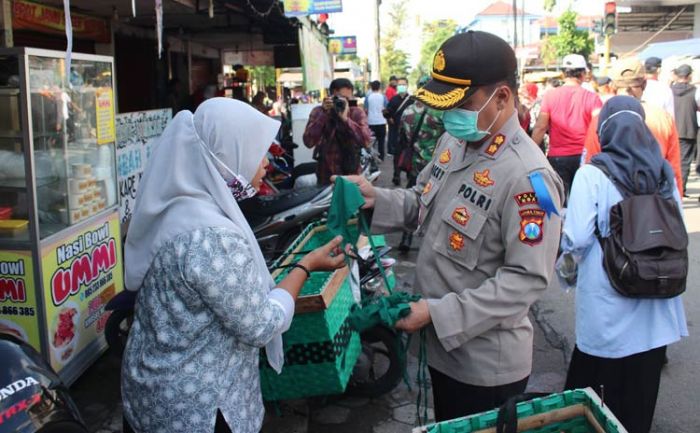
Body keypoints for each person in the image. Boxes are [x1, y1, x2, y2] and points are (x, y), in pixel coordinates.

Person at [340, 31, 564, 422]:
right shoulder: (455, 141)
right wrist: (376, 198)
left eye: (463, 103)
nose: (451, 115)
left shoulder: (529, 177)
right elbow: (422, 203)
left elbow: (525, 280)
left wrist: (438, 314)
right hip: (441, 347)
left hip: (483, 365)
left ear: (502, 99)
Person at [121, 98, 347, 433]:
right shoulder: (212, 239)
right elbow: (261, 325)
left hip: (152, 395)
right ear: (224, 157)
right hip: (195, 409)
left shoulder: (179, 208)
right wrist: (305, 267)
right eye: (258, 154)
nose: (266, 166)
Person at [561, 95, 688, 433]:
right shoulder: (662, 171)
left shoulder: (592, 173)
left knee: (597, 382)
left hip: (609, 294)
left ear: (605, 131)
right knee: (640, 388)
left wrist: (565, 268)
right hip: (656, 292)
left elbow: (576, 237)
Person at [582, 57, 683, 196]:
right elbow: (673, 170)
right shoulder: (663, 118)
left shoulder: (601, 119)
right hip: (654, 204)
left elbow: (590, 164)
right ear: (645, 84)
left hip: (614, 203)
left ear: (613, 86)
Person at [532, 54, 602, 202]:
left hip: (558, 157)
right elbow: (599, 126)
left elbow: (540, 127)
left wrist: (529, 151)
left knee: (558, 201)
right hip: (585, 157)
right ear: (583, 74)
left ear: (564, 73)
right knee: (584, 203)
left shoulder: (550, 96)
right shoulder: (592, 97)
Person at [396, 76, 445, 252]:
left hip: (415, 165)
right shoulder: (440, 112)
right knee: (435, 203)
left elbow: (402, 138)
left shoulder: (408, 111)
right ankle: (430, 242)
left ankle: (406, 238)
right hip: (437, 167)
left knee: (413, 201)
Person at [303, 78, 372, 185]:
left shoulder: (356, 113)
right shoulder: (319, 112)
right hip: (326, 174)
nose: (343, 102)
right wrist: (323, 114)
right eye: (339, 98)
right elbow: (308, 142)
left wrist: (346, 119)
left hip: (351, 174)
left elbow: (366, 141)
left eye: (346, 99)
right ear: (330, 96)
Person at [671, 64, 700, 195]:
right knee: (684, 161)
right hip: (688, 130)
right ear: (689, 76)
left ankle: (673, 187)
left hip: (671, 128)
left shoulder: (670, 90)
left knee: (670, 159)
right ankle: (680, 189)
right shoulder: (695, 91)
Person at [385, 77, 412, 185]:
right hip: (396, 133)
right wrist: (388, 116)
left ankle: (409, 175)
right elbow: (388, 111)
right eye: (399, 84)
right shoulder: (393, 99)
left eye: (403, 84)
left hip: (409, 134)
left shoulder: (412, 100)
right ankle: (396, 176)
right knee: (397, 156)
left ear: (407, 85)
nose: (401, 86)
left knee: (409, 155)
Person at [365, 80, 388, 160]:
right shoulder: (383, 97)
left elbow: (366, 109)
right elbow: (386, 108)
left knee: (371, 142)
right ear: (379, 87)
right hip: (381, 121)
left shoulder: (368, 97)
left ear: (371, 87)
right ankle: (381, 157)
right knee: (381, 142)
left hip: (371, 122)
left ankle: (371, 157)